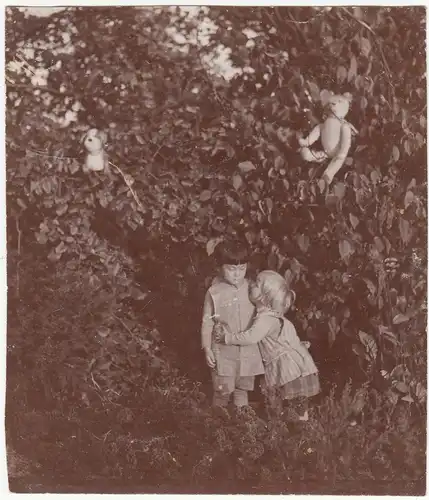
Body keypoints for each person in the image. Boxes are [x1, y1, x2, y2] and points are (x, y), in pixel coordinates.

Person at [214, 270, 320, 421]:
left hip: (289, 371)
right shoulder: (276, 317)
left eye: (257, 284)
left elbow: (251, 337)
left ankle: (297, 431)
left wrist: (227, 338)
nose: (252, 285)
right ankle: (300, 432)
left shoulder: (266, 319)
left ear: (265, 296)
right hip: (297, 367)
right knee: (297, 407)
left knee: (290, 407)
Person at [201, 240, 264, 408]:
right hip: (223, 352)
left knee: (242, 391)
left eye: (241, 269)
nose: (237, 274)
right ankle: (217, 427)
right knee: (222, 392)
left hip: (247, 352)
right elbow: (207, 321)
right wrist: (207, 348)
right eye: (231, 269)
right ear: (221, 267)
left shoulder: (252, 288)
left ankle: (242, 428)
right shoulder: (214, 292)